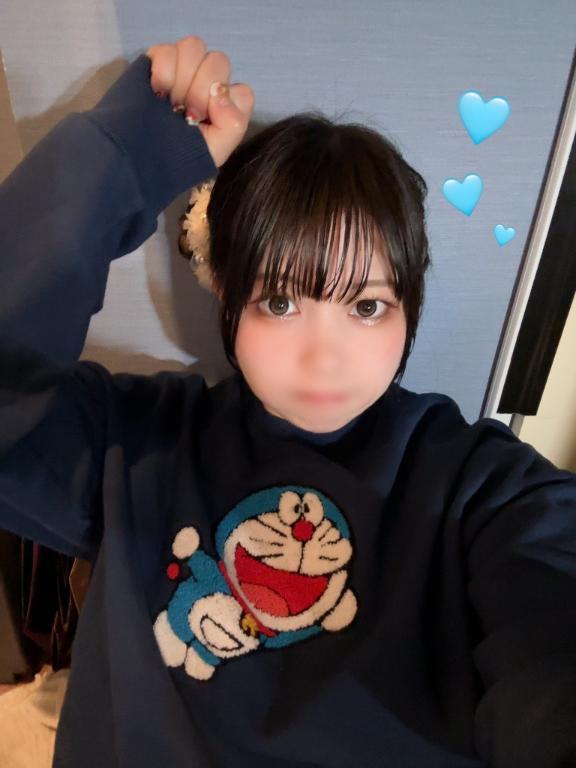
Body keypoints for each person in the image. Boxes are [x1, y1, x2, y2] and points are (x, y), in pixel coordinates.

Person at [0, 34, 575, 768]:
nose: (323, 357)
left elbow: (551, 606)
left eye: (366, 307)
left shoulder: (478, 485)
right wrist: (126, 159)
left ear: (409, 310)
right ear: (228, 298)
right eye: (279, 301)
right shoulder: (132, 443)